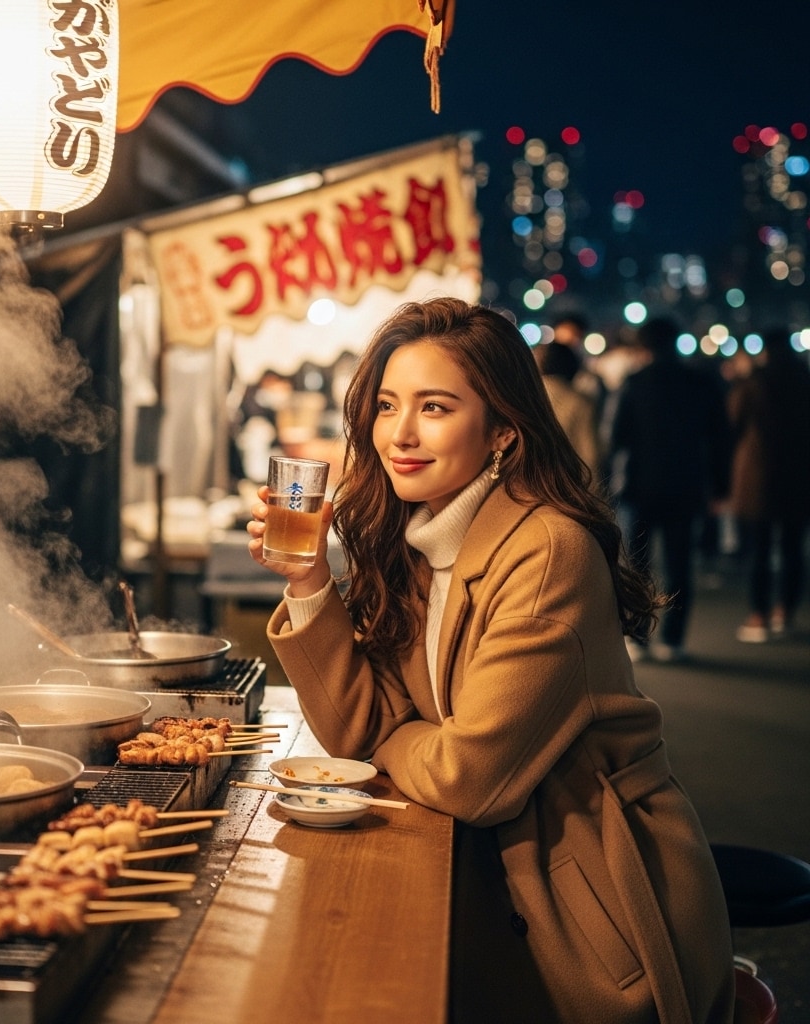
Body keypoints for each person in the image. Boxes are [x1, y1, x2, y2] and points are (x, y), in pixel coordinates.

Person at [246, 299, 734, 1023]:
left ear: (503, 429)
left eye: (434, 407)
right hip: (498, 871)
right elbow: (354, 732)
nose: (400, 434)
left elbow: (469, 778)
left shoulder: (547, 551)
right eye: (386, 406)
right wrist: (311, 579)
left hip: (594, 908)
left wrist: (398, 736)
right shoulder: (422, 536)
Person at [607, 317, 731, 662]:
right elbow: (720, 439)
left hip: (640, 486)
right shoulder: (701, 383)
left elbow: (615, 438)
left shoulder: (634, 383)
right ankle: (673, 640)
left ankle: (638, 636)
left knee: (637, 566)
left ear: (644, 347)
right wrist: (720, 488)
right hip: (686, 485)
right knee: (679, 564)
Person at [728, 327, 810, 641]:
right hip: (800, 477)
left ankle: (759, 616)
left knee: (759, 551)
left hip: (759, 478)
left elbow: (732, 422)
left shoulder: (754, 385)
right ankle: (784, 612)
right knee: (793, 549)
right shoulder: (804, 381)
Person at [533, 339, 602, 485]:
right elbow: (590, 455)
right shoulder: (581, 402)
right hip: (568, 488)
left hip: (530, 487)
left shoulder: (525, 398)